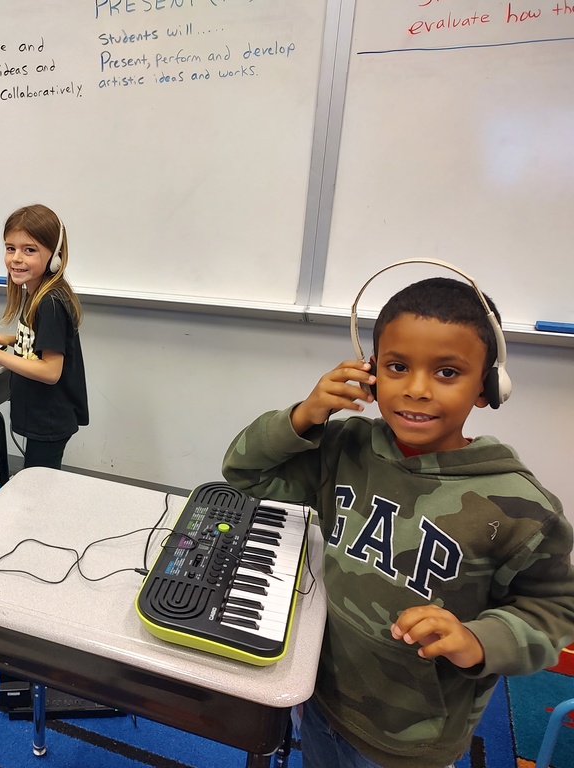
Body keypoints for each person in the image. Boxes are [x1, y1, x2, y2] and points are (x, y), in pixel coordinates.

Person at [221, 275, 574, 768]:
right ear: (370, 373)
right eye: (397, 367)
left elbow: (554, 611)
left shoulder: (521, 507)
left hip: (410, 740)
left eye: (447, 372)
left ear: (486, 388)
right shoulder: (345, 448)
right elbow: (244, 472)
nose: (417, 389)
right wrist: (305, 414)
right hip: (321, 691)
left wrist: (477, 640)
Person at [0, 203, 88, 469]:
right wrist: (2, 338)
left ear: (55, 256)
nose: (16, 258)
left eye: (29, 250)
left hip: (49, 417)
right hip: (43, 414)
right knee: (37, 482)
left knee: (38, 487)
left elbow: (51, 371)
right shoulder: (36, 292)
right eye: (11, 248)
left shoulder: (50, 303)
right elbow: (36, 341)